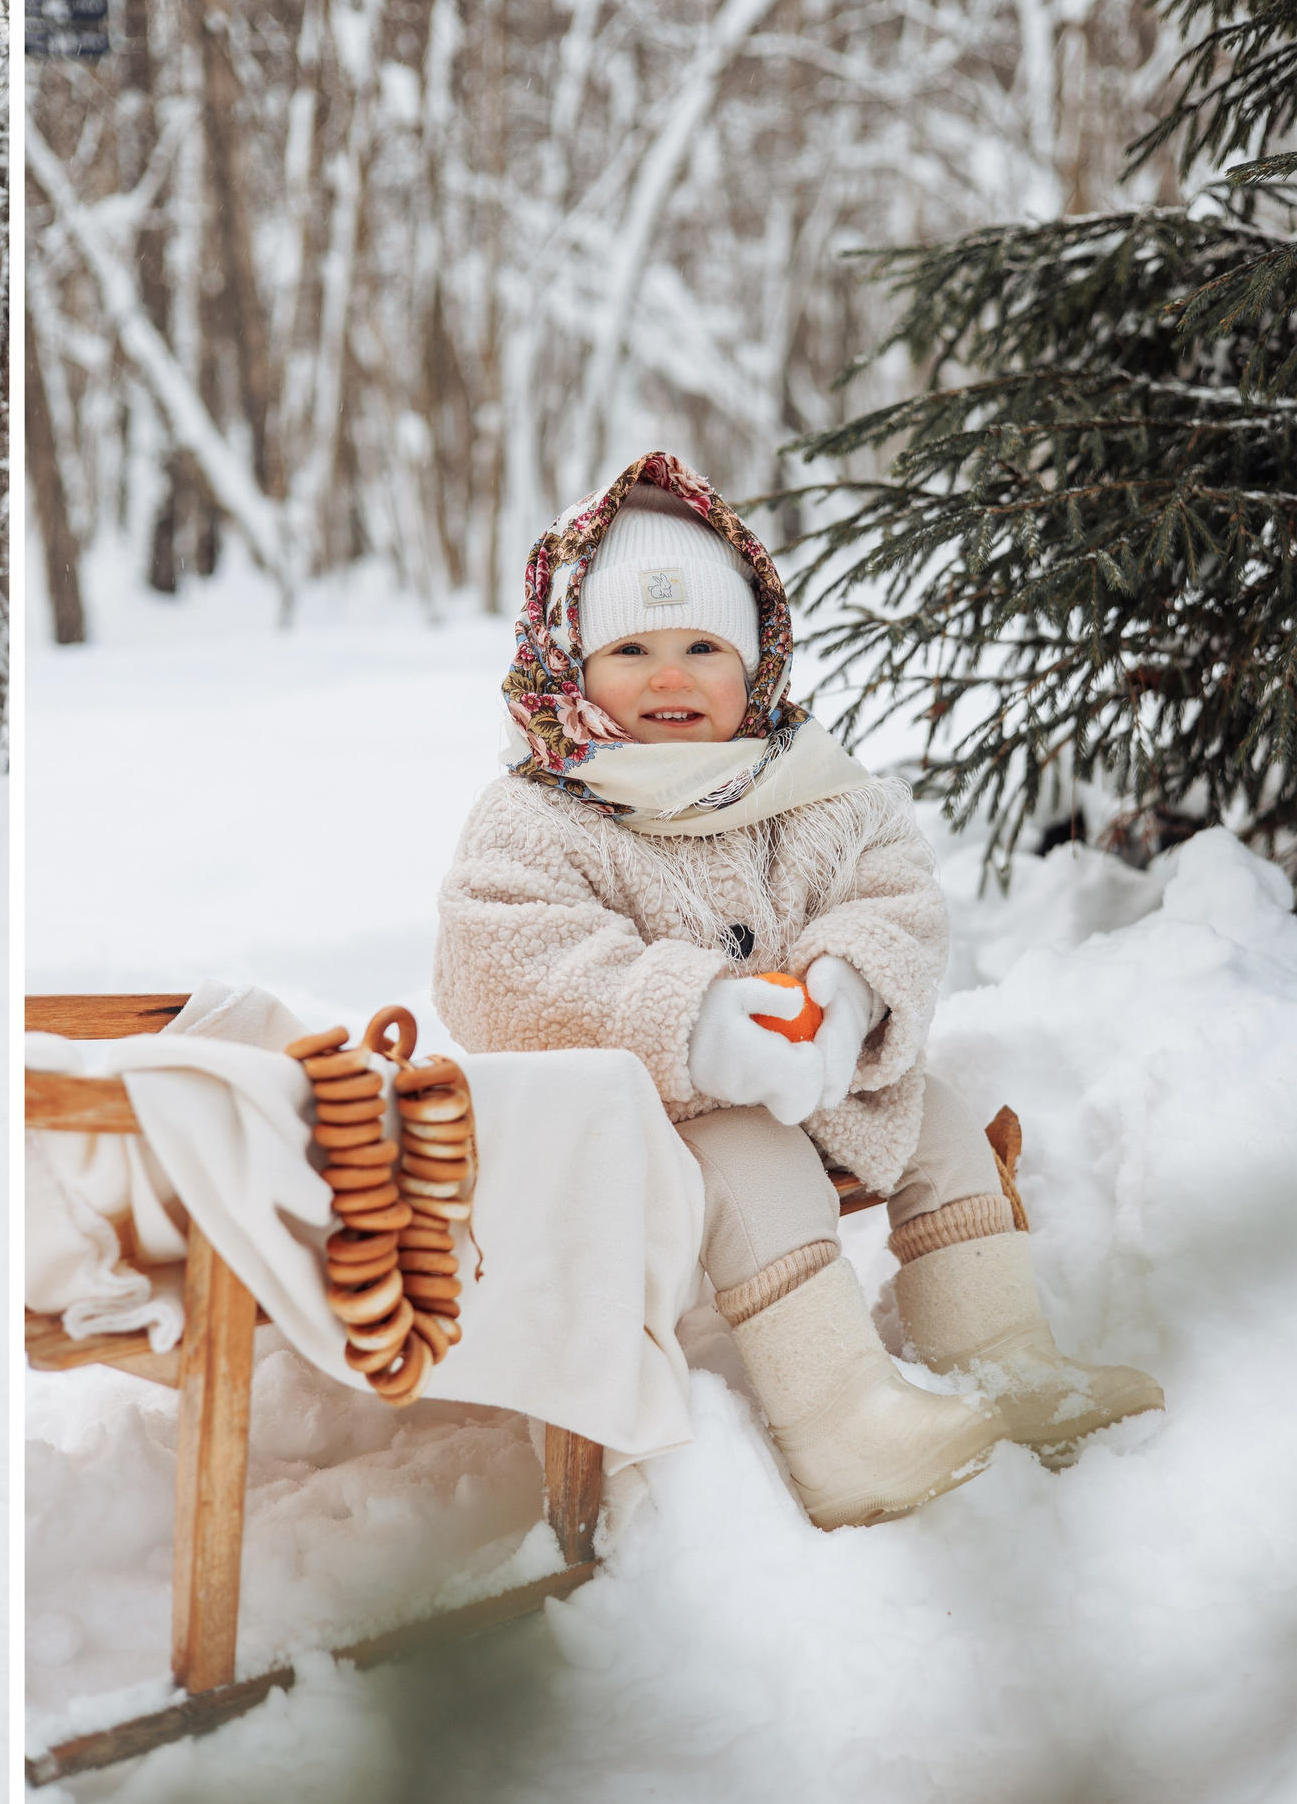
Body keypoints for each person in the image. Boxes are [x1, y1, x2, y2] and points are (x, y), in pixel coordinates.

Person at [434, 452, 1161, 1530]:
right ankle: (841, 1422)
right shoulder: (537, 816)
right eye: (629, 649)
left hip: (805, 1073)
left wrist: (849, 991)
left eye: (701, 648)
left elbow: (891, 889)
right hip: (634, 1123)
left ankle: (1006, 1361)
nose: (669, 677)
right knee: (753, 1154)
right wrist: (697, 1022)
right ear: (570, 667)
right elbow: (505, 963)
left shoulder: (805, 787)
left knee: (937, 1115)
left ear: (757, 659)